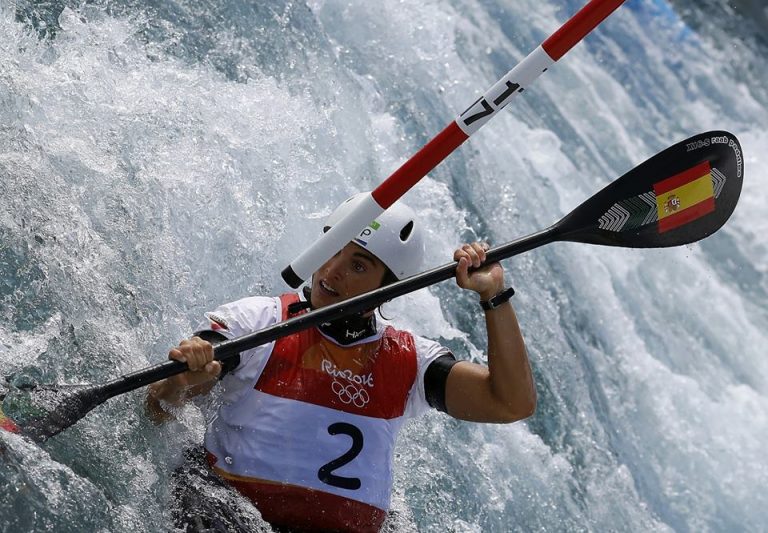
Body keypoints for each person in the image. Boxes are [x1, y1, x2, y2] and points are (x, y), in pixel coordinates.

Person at [146, 193, 536, 532]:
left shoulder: (410, 362)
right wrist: (182, 380)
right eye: (333, 248)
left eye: (358, 265)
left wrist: (494, 296)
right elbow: (159, 407)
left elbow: (510, 403)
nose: (332, 270)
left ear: (388, 287)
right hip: (224, 514)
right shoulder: (257, 323)